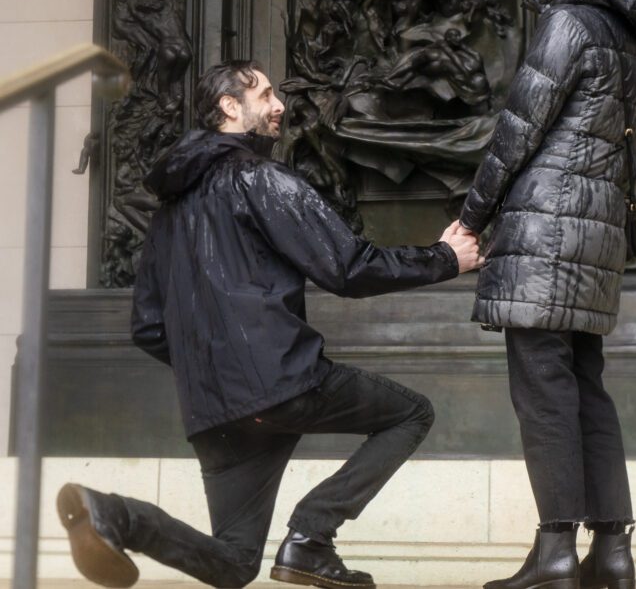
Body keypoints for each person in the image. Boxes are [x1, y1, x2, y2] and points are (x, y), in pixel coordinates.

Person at [56, 60, 482, 589]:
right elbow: (347, 267)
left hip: (214, 407)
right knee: (411, 414)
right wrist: (445, 258)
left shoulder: (168, 211)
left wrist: (217, 367)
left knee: (234, 564)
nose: (279, 104)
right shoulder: (260, 178)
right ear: (230, 108)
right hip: (280, 383)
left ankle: (116, 516)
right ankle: (311, 536)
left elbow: (147, 327)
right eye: (264, 94)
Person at [457, 0, 636, 589]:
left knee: (544, 394)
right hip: (595, 238)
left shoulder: (568, 25)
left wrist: (470, 218)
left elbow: (518, 130)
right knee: (586, 391)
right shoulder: (633, 44)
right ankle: (612, 553)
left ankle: (553, 555)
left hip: (545, 237)